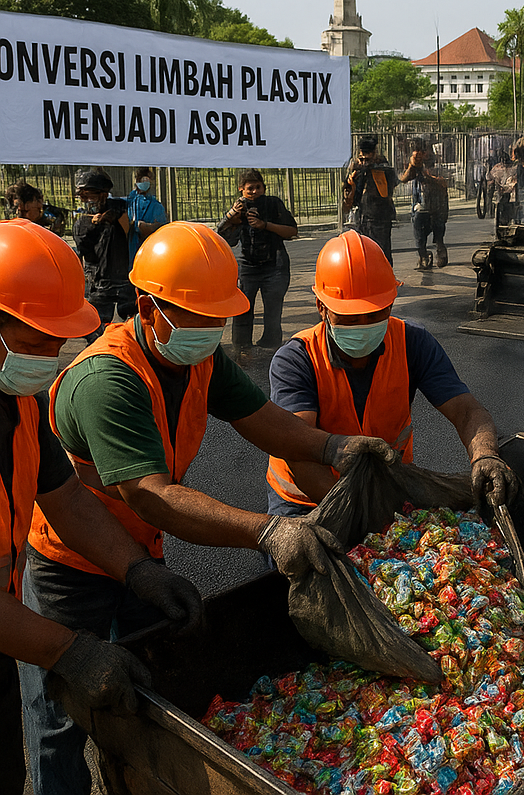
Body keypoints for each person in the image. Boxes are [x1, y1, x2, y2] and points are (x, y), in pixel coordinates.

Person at [19, 219, 394, 795]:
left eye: (220, 318)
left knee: (148, 700)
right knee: (61, 720)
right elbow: (153, 494)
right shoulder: (106, 379)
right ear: (149, 308)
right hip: (71, 569)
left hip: (139, 554)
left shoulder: (197, 358)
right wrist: (269, 533)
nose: (212, 331)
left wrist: (333, 446)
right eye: (198, 319)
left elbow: (263, 421)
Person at [0, 220, 203, 794]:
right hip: (33, 594)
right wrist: (69, 649)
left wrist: (135, 570)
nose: (56, 353)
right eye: (39, 338)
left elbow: (65, 498)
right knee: (52, 725)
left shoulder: (21, 406)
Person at [266, 230, 519, 517]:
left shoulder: (412, 342)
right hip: (307, 500)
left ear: (390, 304)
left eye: (375, 314)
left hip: (386, 490)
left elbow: (465, 410)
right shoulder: (297, 359)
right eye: (349, 317)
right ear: (321, 308)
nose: (364, 325)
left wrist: (484, 453)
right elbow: (299, 451)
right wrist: (361, 515)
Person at [216, 168, 298, 356]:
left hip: (275, 266)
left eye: (258, 187)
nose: (254, 192)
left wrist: (265, 225)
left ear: (264, 187)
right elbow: (223, 239)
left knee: (273, 311)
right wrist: (231, 217)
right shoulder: (239, 210)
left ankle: (272, 349)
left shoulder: (273, 204)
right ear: (241, 190)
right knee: (242, 309)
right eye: (250, 188)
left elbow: (292, 231)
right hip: (248, 267)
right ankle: (242, 349)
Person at [73, 166, 134, 343]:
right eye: (85, 196)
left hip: (122, 280)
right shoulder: (82, 222)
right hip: (97, 283)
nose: (88, 200)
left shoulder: (118, 213)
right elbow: (84, 248)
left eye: (91, 195)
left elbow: (127, 229)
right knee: (95, 331)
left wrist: (113, 217)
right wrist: (94, 225)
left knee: (133, 326)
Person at [344, 135, 399, 264]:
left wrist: (373, 172)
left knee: (382, 252)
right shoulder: (357, 167)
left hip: (381, 217)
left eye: (367, 159)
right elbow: (348, 191)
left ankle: (386, 279)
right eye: (362, 159)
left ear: (375, 153)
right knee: (364, 253)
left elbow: (388, 190)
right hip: (362, 217)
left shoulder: (383, 167)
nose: (364, 162)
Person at [399, 137, 449, 270]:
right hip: (421, 206)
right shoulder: (415, 166)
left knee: (438, 235)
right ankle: (423, 256)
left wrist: (427, 176)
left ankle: (440, 250)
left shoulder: (436, 165)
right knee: (419, 238)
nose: (421, 154)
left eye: (422, 151)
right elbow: (404, 179)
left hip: (438, 206)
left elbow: (443, 182)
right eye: (417, 151)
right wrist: (412, 166)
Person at [125, 166, 168, 266]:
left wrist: (147, 227)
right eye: (142, 180)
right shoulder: (130, 201)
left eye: (147, 180)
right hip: (131, 246)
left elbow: (162, 228)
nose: (144, 182)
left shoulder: (156, 205)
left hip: (150, 246)